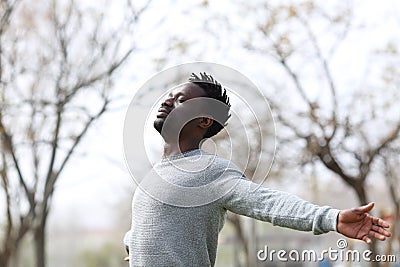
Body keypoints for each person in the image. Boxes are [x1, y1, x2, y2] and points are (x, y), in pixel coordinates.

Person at [124, 72, 391, 266]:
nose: (167, 102)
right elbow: (151, 227)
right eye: (169, 97)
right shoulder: (154, 175)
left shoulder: (209, 171)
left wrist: (329, 218)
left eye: (181, 100)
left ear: (204, 120)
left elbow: (267, 202)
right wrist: (134, 244)